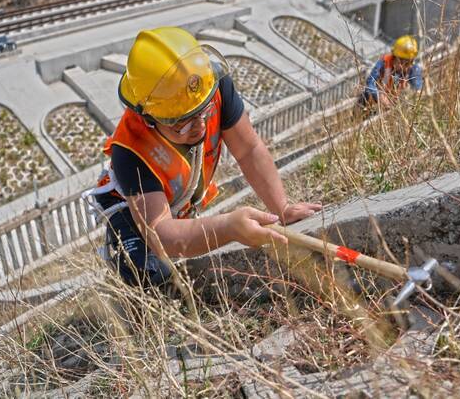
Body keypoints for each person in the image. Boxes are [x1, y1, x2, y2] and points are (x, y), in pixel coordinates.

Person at [85, 27, 321, 290]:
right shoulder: (131, 150)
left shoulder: (210, 88)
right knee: (150, 273)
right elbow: (160, 233)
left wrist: (282, 208)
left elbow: (249, 149)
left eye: (204, 112)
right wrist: (227, 227)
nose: (199, 125)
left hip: (179, 201)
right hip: (133, 209)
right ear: (150, 118)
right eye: (182, 123)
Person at [361, 35, 423, 107]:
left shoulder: (413, 69)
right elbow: (370, 84)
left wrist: (416, 95)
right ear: (395, 57)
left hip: (394, 106)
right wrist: (379, 96)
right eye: (402, 62)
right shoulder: (384, 63)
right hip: (374, 103)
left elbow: (418, 88)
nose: (403, 66)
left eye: (408, 63)